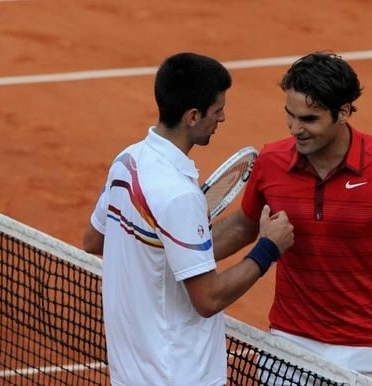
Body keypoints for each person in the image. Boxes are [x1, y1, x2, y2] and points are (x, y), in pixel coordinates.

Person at [212, 51, 372, 386]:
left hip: (366, 351)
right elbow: (243, 226)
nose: (295, 129)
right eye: (290, 115)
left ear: (343, 112)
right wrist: (179, 252)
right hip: (289, 344)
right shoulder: (272, 160)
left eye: (309, 119)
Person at [82, 52, 294, 386]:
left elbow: (94, 240)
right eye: (218, 110)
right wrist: (269, 247)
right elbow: (208, 299)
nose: (222, 118)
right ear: (193, 116)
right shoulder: (180, 196)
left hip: (130, 374)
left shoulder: (128, 161)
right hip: (178, 376)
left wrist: (171, 244)